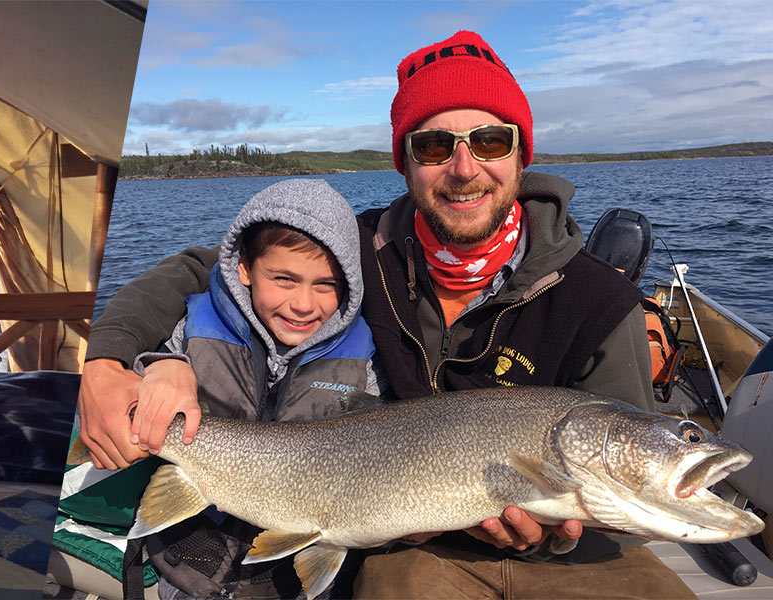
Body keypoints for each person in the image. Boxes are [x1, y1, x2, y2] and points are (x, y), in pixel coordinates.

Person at [79, 30, 689, 599]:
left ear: (521, 154)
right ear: (404, 162)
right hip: (410, 545)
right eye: (433, 145)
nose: (464, 167)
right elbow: (202, 271)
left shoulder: (601, 301)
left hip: (574, 558)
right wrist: (107, 359)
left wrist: (558, 531)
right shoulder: (355, 253)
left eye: (490, 140)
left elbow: (627, 495)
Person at [125, 179, 379, 599]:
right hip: (191, 558)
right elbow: (143, 379)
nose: (302, 303)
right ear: (243, 267)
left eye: (326, 285)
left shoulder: (363, 366)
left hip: (294, 572)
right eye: (283, 278)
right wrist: (163, 365)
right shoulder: (192, 330)